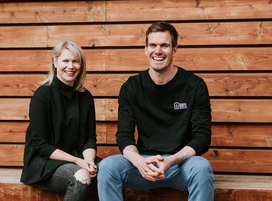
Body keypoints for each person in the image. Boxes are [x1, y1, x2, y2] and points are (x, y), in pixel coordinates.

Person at [97, 22, 214, 201]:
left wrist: (172, 160)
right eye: (153, 45)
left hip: (180, 165)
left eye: (164, 45)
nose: (157, 51)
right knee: (107, 166)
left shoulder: (194, 86)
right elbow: (124, 136)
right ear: (145, 49)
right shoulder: (132, 87)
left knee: (202, 167)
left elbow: (202, 138)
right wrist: (139, 162)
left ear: (174, 49)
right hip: (143, 165)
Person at [20, 40, 100, 201]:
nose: (71, 66)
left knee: (109, 171)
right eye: (66, 61)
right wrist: (79, 162)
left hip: (77, 158)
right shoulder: (42, 95)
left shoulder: (85, 97)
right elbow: (41, 146)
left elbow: (89, 139)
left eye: (75, 61)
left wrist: (89, 161)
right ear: (55, 62)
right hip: (43, 163)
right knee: (82, 176)